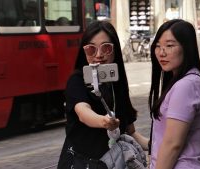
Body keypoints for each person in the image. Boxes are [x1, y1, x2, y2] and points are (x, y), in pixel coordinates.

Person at [58, 20, 148, 168]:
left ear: (115, 50)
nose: (98, 55)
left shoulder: (117, 84)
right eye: (91, 49)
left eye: (106, 48)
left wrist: (156, 144)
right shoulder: (77, 80)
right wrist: (104, 121)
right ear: (84, 51)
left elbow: (131, 133)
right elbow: (82, 111)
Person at [148, 19, 200, 169]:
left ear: (186, 48)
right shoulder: (187, 81)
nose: (161, 52)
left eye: (169, 45)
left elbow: (173, 144)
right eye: (158, 46)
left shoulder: (186, 85)